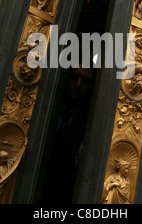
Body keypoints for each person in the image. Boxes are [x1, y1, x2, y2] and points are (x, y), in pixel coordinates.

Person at [40, 65, 94, 203]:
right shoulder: (44, 110)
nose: (78, 84)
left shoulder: (91, 123)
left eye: (85, 81)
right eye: (74, 77)